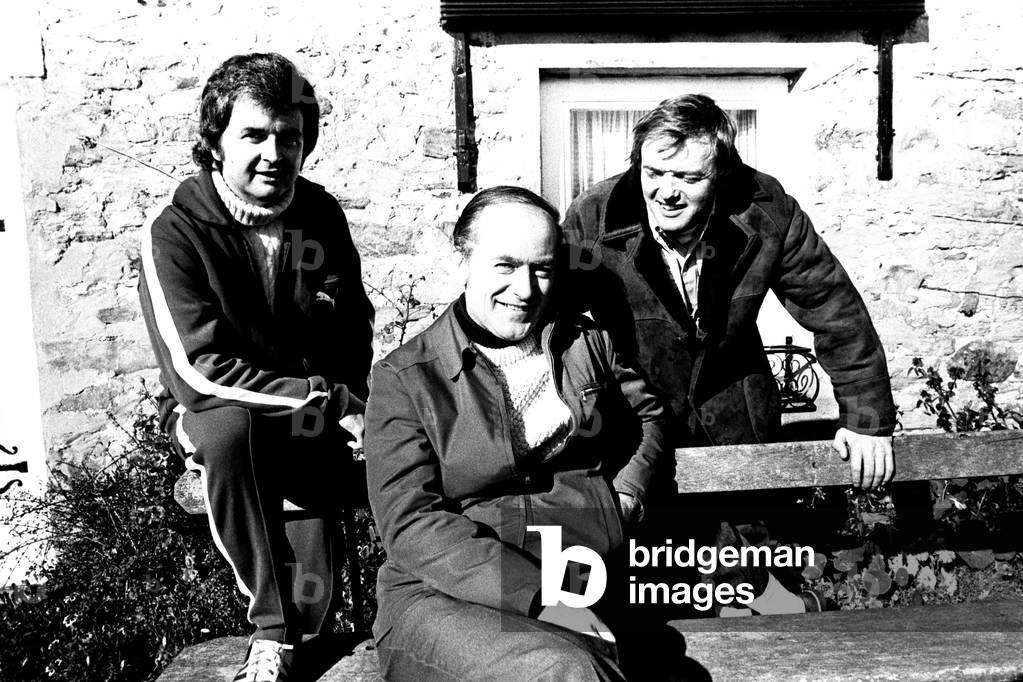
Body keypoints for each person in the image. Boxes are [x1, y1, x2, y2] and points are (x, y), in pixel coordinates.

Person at [561, 94, 897, 615]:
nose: (666, 193)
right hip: (634, 413)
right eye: (654, 172)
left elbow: (832, 305)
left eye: (689, 179)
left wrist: (868, 417)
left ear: (721, 170)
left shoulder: (766, 210)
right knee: (642, 584)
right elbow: (550, 318)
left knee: (750, 569)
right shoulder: (592, 217)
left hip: (735, 403)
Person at [364, 186, 674, 681]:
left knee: (580, 668)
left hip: (575, 578)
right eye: (505, 266)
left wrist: (627, 495)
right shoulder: (407, 378)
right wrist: (540, 594)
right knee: (564, 672)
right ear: (462, 261)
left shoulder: (585, 344)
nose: (527, 288)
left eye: (543, 268)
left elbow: (651, 418)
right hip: (444, 596)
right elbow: (410, 524)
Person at [138, 53, 374, 681]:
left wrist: (352, 399)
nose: (274, 153)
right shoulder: (174, 232)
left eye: (289, 137)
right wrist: (326, 401)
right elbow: (199, 372)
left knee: (317, 609)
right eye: (254, 135)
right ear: (214, 142)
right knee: (229, 428)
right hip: (219, 414)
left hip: (310, 417)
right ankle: (268, 630)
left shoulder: (320, 214)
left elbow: (352, 323)